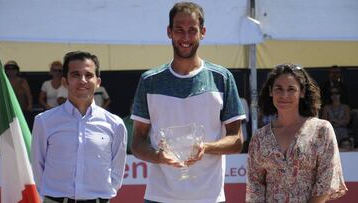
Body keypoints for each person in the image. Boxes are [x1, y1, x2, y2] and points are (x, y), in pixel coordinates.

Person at [131, 2, 245, 202]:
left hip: (209, 197)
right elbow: (137, 143)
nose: (185, 37)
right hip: (160, 197)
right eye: (179, 30)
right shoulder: (150, 81)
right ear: (169, 32)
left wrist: (205, 147)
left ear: (203, 32)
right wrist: (158, 156)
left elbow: (237, 140)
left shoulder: (222, 78)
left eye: (192, 30)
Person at [31, 51, 127, 202]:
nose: (82, 80)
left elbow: (117, 170)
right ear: (65, 81)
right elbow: (38, 166)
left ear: (98, 82)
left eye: (88, 75)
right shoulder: (44, 121)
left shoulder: (115, 124)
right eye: (75, 75)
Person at [246, 63, 347, 202]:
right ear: (271, 91)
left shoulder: (321, 130)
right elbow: (254, 188)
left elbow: (325, 181)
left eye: (291, 89)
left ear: (302, 92)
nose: (284, 95)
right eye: (278, 89)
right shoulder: (259, 137)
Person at [4, 60, 33, 128]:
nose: (11, 71)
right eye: (8, 68)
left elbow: (28, 94)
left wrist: (30, 105)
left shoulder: (22, 81)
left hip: (21, 110)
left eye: (13, 68)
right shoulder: (4, 81)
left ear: (17, 70)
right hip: (8, 110)